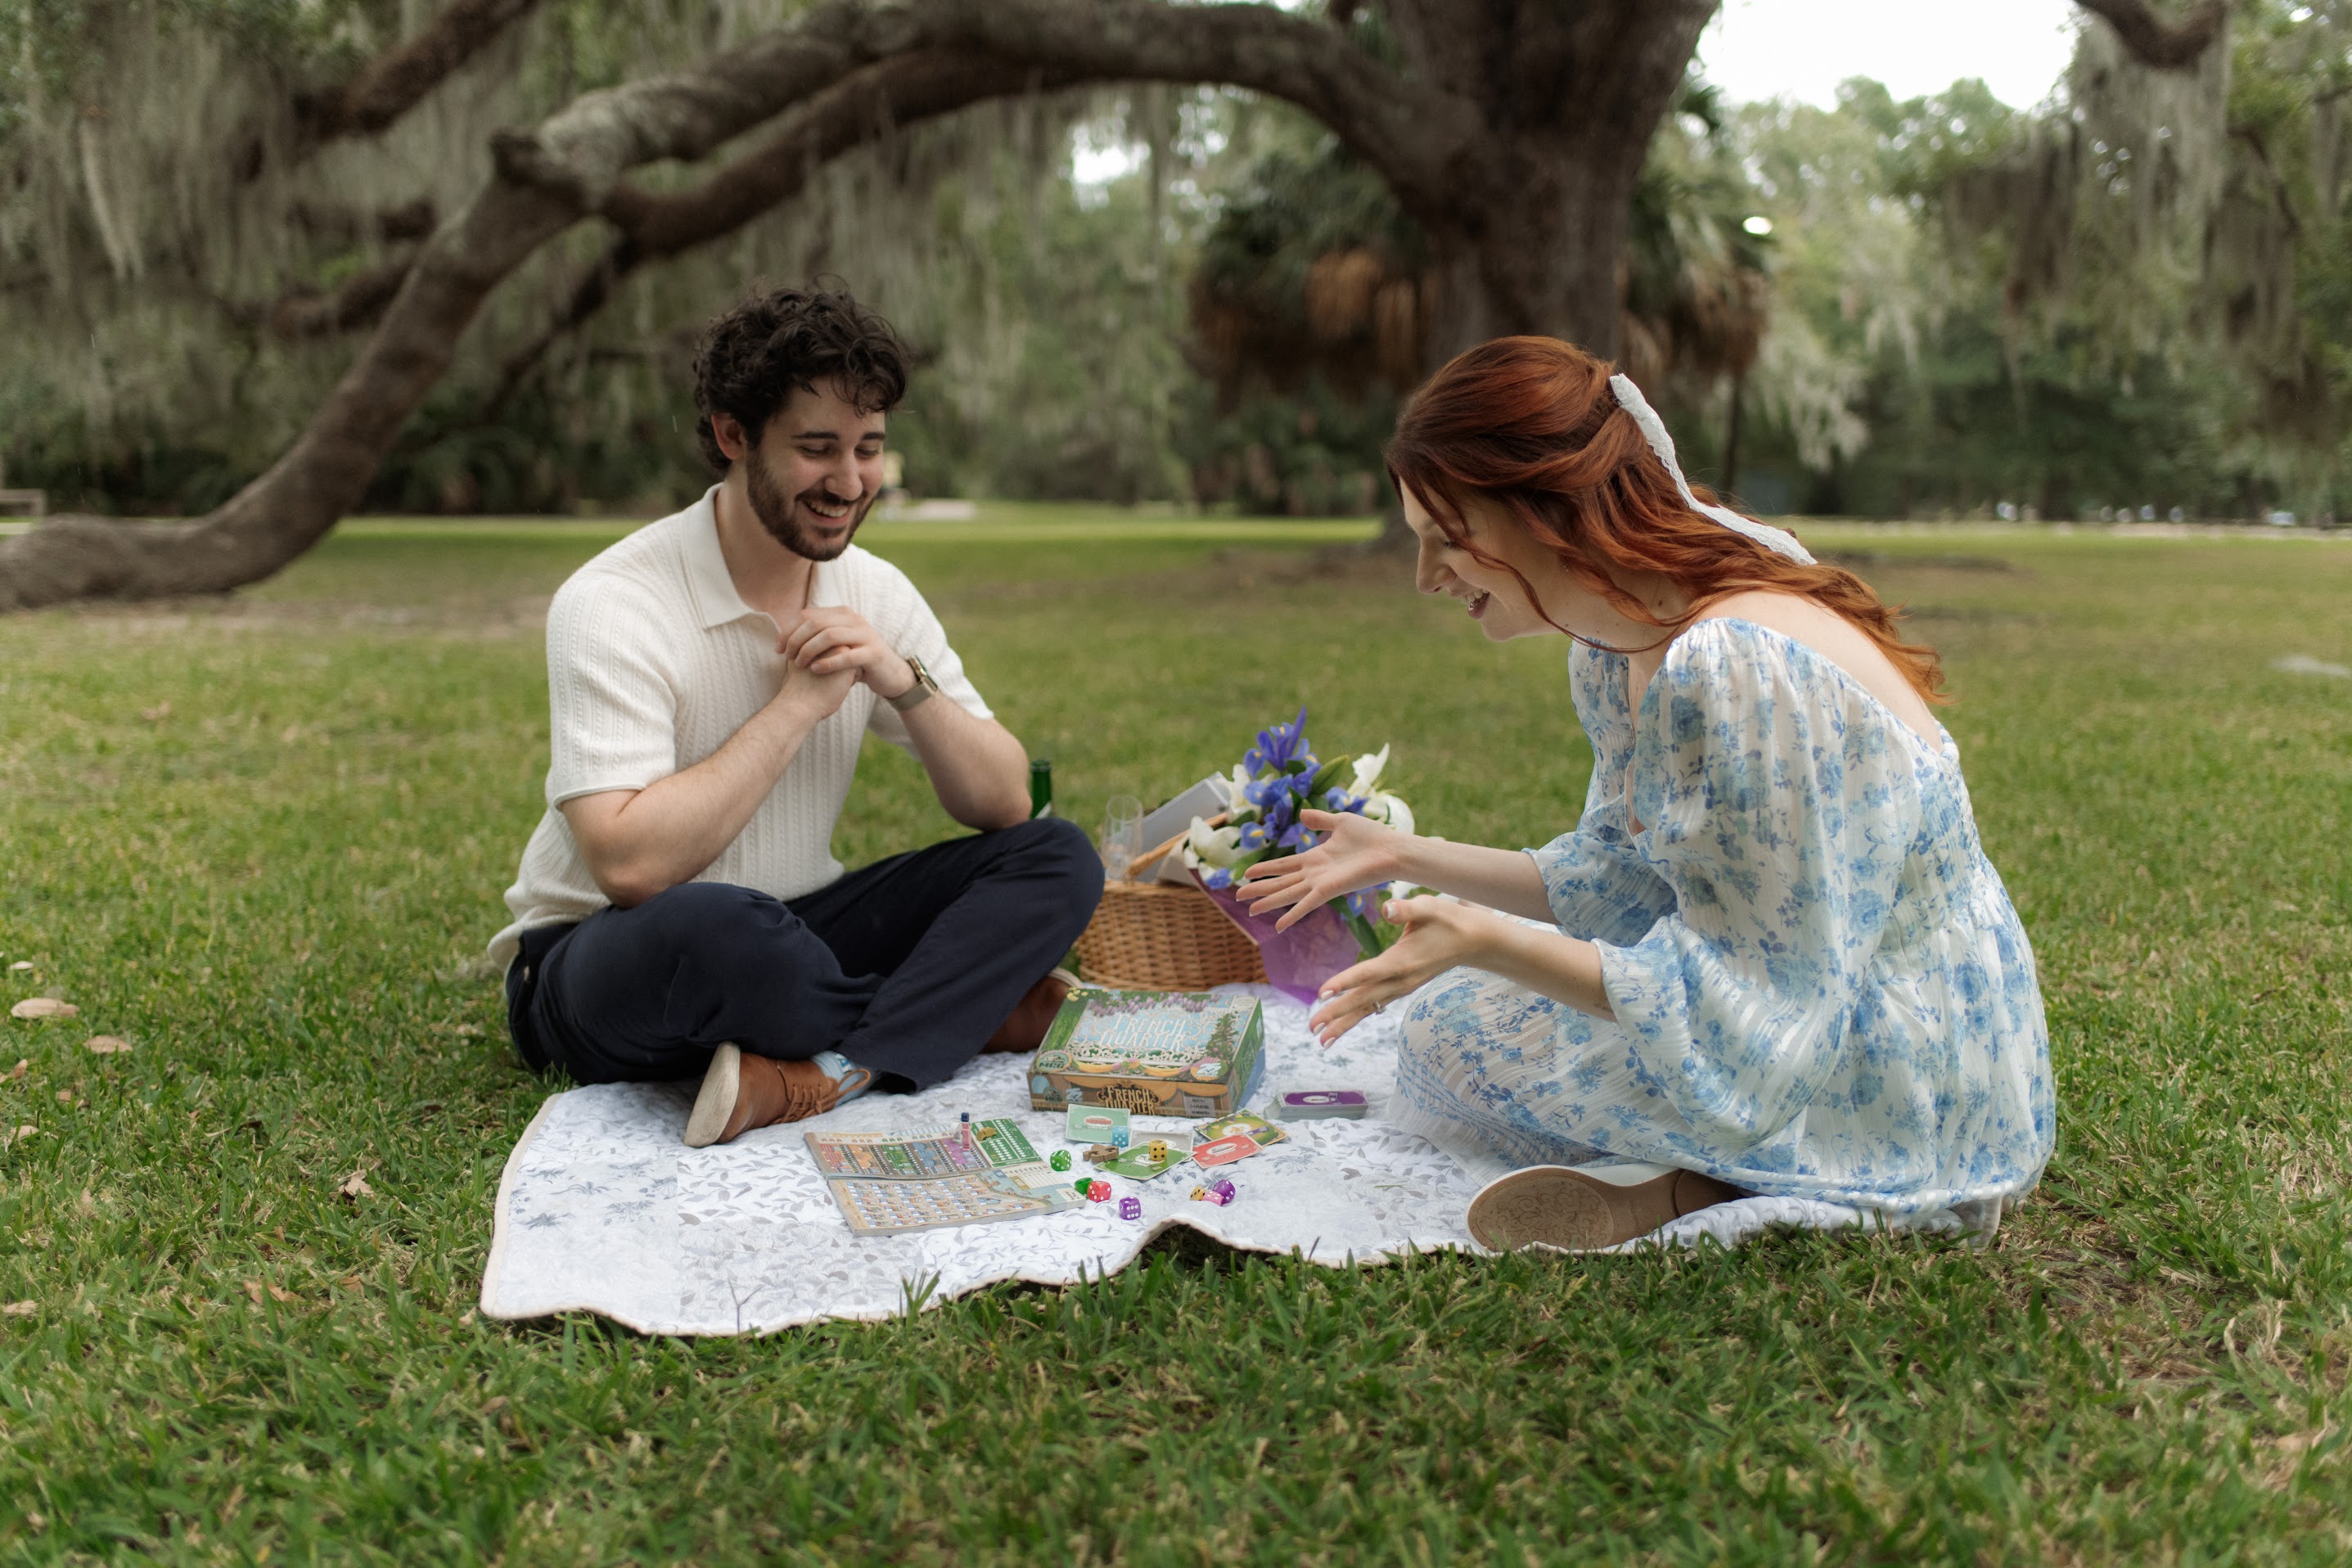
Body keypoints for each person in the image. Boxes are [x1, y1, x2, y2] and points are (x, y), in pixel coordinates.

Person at [1238, 336, 2053, 1251]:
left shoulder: (1736, 662)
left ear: (1540, 509)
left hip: (1904, 1064)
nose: (1427, 579)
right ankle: (1693, 1179)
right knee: (1451, 1019)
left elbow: (1757, 1006)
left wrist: (1487, 939)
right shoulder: (1625, 639)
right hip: (1816, 1007)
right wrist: (1405, 855)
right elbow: (1618, 879)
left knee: (1454, 1036)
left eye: (1447, 540)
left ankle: (1716, 1187)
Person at [490, 286, 1102, 1147]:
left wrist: (900, 679)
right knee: (722, 928)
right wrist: (798, 706)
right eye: (817, 448)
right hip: (612, 951)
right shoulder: (613, 601)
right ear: (733, 436)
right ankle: (969, 1011)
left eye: (869, 449)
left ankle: (831, 1067)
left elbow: (1005, 802)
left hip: (796, 927)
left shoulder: (877, 592)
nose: (849, 482)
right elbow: (628, 864)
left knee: (1056, 855)